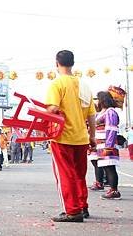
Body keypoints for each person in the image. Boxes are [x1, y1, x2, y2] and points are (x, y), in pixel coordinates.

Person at [45, 50, 96, 222]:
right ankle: (82, 206)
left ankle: (73, 211)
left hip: (62, 137)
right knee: (79, 174)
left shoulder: (57, 84)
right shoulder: (85, 86)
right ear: (72, 63)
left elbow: (52, 109)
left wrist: (40, 111)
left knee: (65, 174)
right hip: (81, 137)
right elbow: (91, 115)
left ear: (56, 63)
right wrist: (92, 136)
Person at [95, 91, 122, 200]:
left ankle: (114, 190)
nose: (96, 101)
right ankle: (112, 189)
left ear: (102, 100)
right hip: (101, 144)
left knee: (110, 168)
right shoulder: (103, 112)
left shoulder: (110, 112)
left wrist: (109, 146)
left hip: (107, 144)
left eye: (98, 99)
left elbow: (111, 129)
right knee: (106, 167)